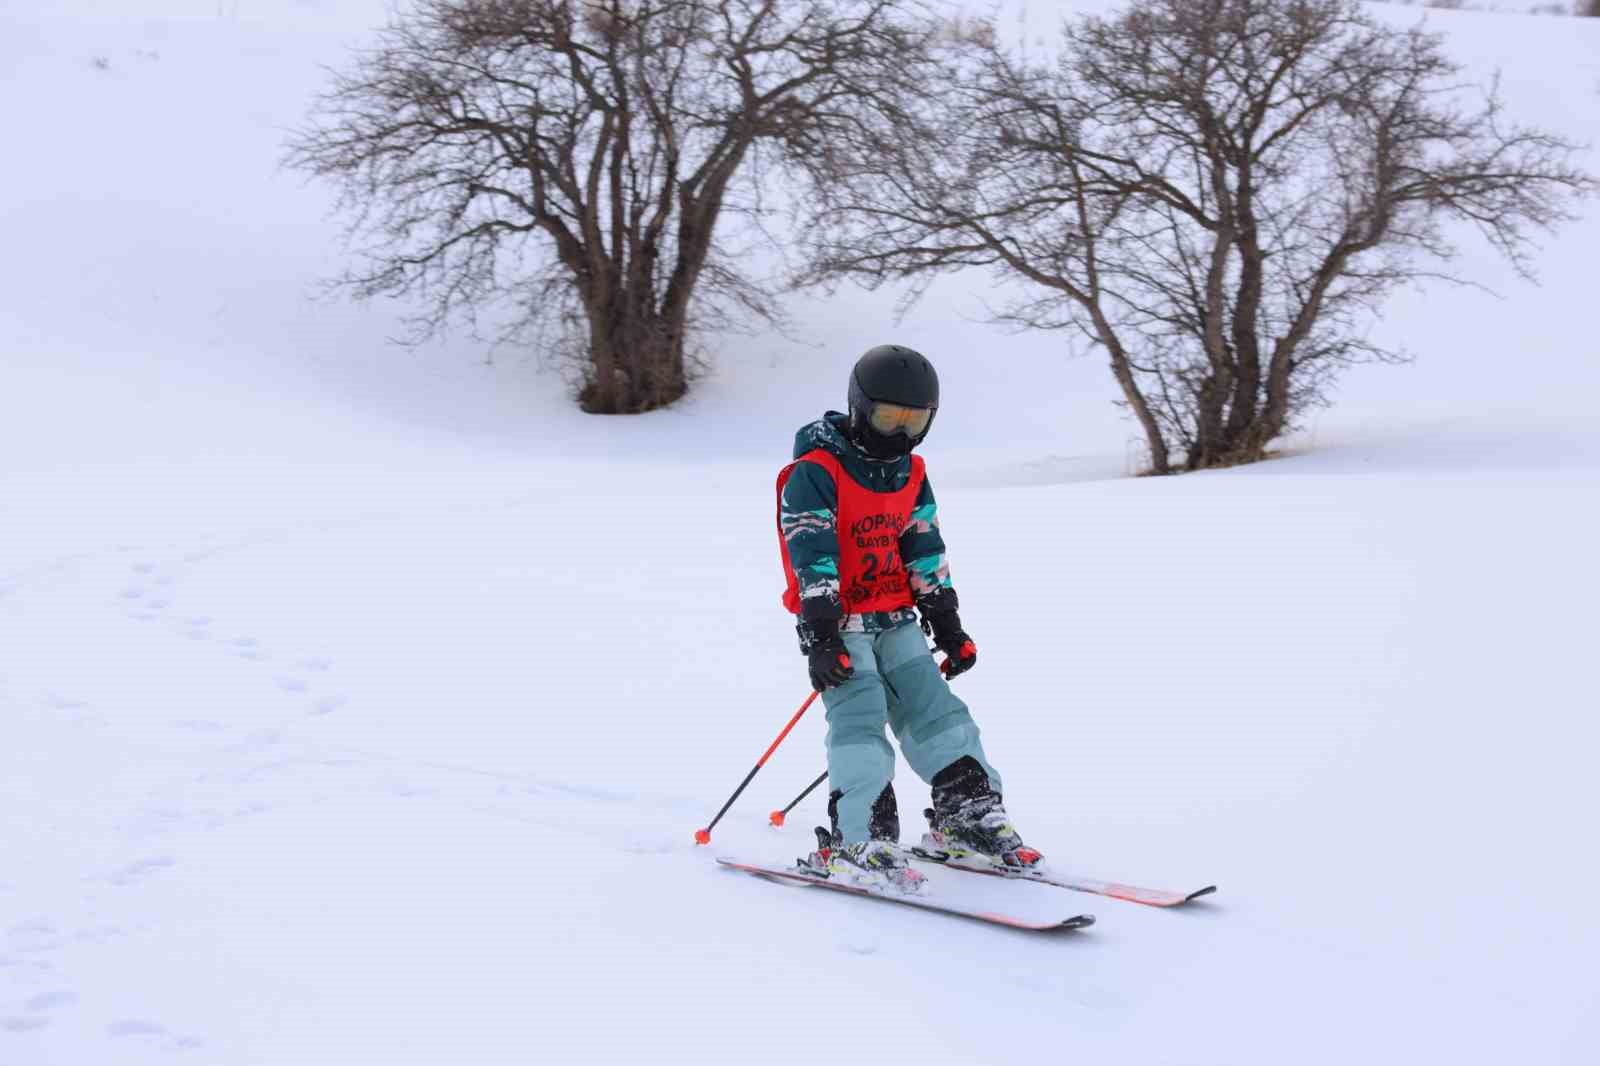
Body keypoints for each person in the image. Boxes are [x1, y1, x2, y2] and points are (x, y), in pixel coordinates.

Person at [776, 345, 1041, 892]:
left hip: (897, 617)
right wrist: (821, 636)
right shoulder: (816, 472)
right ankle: (861, 838)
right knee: (859, 719)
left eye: (914, 421)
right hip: (842, 622)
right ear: (858, 408)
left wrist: (948, 625)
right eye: (888, 418)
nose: (899, 434)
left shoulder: (910, 472)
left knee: (937, 713)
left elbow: (924, 547)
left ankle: (967, 818)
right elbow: (811, 556)